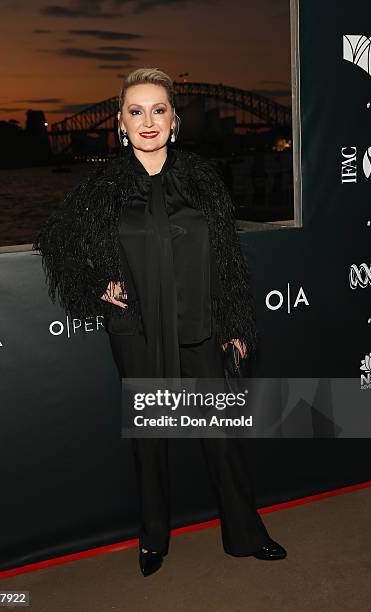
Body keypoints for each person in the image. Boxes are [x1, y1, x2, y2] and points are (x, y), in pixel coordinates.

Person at [33, 67, 287, 578]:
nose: (147, 120)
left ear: (174, 121)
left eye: (159, 109)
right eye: (135, 110)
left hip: (203, 327)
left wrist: (234, 321)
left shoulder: (200, 177)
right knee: (151, 443)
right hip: (139, 331)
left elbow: (227, 256)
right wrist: (98, 282)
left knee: (220, 438)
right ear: (121, 125)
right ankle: (153, 540)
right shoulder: (105, 186)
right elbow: (56, 240)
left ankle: (245, 534)